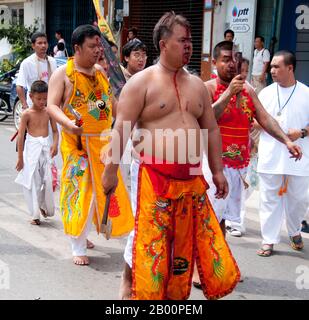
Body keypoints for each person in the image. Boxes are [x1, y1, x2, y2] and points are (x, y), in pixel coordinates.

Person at [103, 12, 241, 300]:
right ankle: (133, 288)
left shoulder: (197, 86)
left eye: (190, 40)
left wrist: (216, 171)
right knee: (150, 241)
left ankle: (175, 299)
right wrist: (109, 172)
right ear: (164, 44)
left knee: (183, 244)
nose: (189, 46)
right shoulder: (141, 83)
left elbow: (211, 130)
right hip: (152, 176)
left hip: (190, 177)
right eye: (182, 40)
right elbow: (122, 130)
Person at [46, 24, 134, 266]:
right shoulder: (62, 74)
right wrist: (69, 124)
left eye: (99, 46)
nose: (98, 51)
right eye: (92, 46)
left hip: (103, 143)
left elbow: (110, 103)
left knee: (105, 190)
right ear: (77, 48)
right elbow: (52, 106)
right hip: (77, 144)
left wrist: (131, 119)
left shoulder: (100, 72)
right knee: (80, 190)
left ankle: (87, 231)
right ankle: (77, 242)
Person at [201, 41, 302, 237]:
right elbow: (206, 120)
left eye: (234, 60)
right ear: (214, 62)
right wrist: (229, 92)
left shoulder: (247, 89)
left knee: (222, 220)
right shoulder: (207, 88)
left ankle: (218, 261)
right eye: (225, 60)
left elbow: (264, 118)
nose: (231, 64)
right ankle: (207, 263)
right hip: (213, 166)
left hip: (239, 167)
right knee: (209, 219)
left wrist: (286, 141)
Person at [257, 50, 309, 256]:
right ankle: (268, 239)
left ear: (290, 68)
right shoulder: (266, 93)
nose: (272, 71)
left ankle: (294, 230)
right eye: (271, 67)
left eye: (277, 66)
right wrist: (267, 126)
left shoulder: (306, 93)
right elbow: (254, 120)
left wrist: (302, 132)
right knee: (269, 199)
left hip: (299, 157)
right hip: (270, 155)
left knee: (298, 199)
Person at [15, 81, 58, 225]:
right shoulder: (27, 114)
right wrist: (20, 158)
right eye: (39, 99)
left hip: (45, 149)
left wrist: (55, 145)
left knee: (47, 180)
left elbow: (55, 131)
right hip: (31, 150)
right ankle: (35, 215)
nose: (42, 102)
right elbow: (21, 136)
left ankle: (43, 206)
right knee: (33, 181)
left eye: (45, 98)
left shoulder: (48, 112)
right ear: (31, 96)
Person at [16, 32, 57, 110]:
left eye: (45, 43)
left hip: (51, 104)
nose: (43, 45)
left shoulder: (52, 61)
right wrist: (25, 105)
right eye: (40, 43)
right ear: (33, 46)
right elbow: (19, 86)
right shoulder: (27, 63)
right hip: (33, 106)